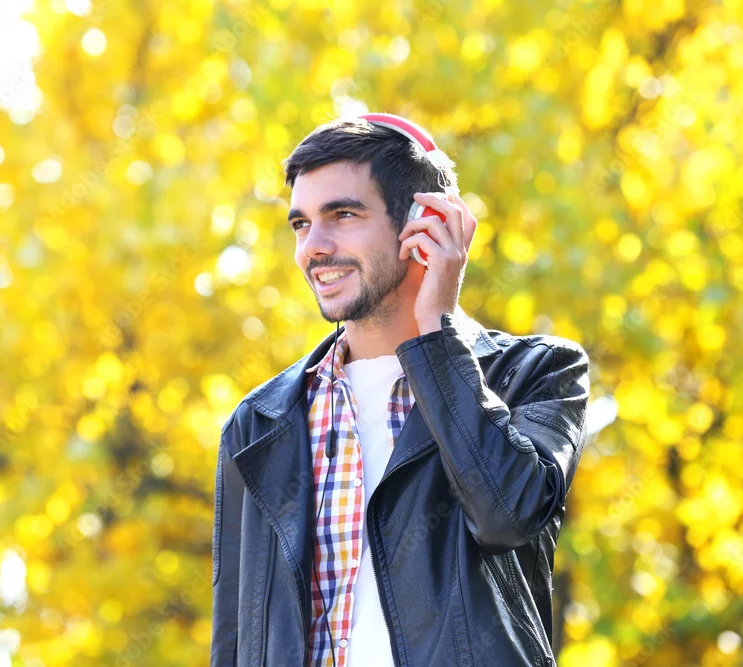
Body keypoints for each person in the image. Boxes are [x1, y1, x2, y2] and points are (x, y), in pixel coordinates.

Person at [210, 113, 590, 667]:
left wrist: (436, 332)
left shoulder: (535, 373)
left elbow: (506, 516)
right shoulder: (259, 422)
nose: (313, 247)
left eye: (342, 215)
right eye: (301, 224)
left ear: (424, 223)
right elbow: (234, 637)